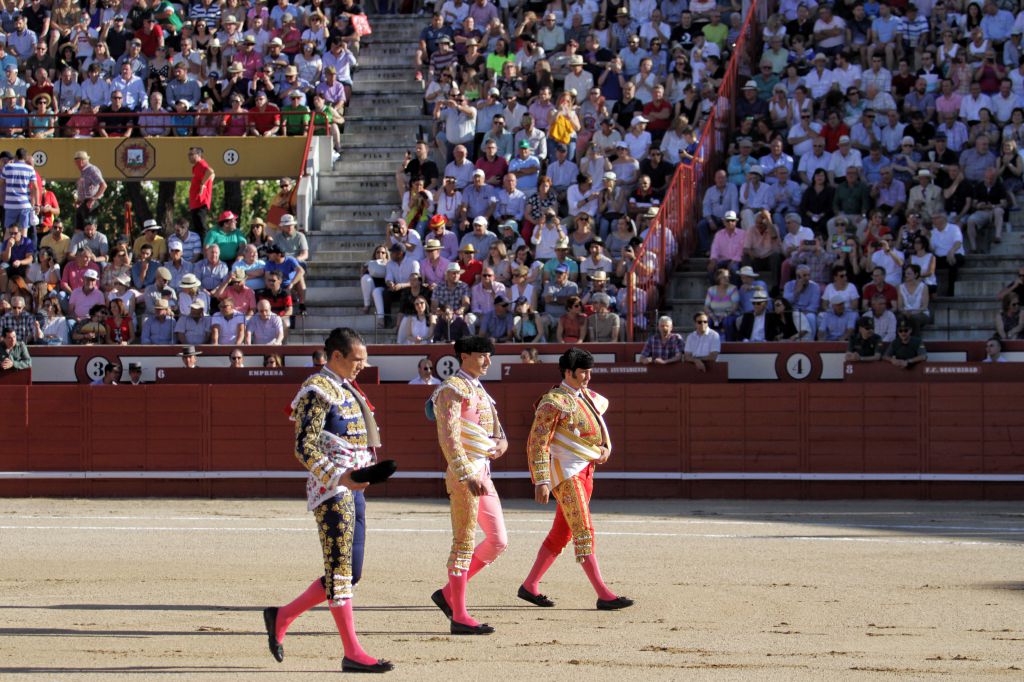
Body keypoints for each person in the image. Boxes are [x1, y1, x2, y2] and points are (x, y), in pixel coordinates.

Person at [263, 328, 394, 674]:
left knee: (352, 574)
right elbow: (303, 446)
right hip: (332, 490)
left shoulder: (346, 389)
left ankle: (282, 615)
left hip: (355, 487)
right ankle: (352, 652)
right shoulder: (316, 391)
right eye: (357, 360)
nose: (362, 366)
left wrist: (366, 473)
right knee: (339, 571)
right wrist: (339, 478)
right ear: (336, 356)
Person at [520, 347, 633, 611]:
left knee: (562, 532)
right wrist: (541, 480)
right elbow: (537, 443)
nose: (587, 376)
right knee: (583, 527)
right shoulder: (553, 401)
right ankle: (603, 594)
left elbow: (597, 433)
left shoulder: (587, 398)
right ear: (568, 372)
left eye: (589, 371)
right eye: (582, 371)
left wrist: (604, 449)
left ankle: (530, 585)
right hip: (566, 474)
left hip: (586, 470)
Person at [427, 335, 508, 636]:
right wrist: (465, 473)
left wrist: (502, 444)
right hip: (466, 475)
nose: (488, 361)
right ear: (464, 355)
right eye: (482, 355)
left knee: (498, 540)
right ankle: (459, 615)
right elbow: (448, 438)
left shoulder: (480, 390)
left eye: (490, 355)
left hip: (482, 471)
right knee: (463, 542)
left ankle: (448, 594)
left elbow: (497, 432)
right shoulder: (451, 390)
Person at [73, 150, 106, 231]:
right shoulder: (84, 172)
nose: (76, 164)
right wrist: (79, 200)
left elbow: (103, 185)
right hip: (85, 203)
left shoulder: (92, 170)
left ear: (81, 161)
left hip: (91, 203)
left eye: (76, 162)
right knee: (80, 227)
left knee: (89, 228)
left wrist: (94, 199)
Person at [187, 146, 215, 235]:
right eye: (189, 154)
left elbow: (210, 171)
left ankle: (205, 247)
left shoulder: (201, 164)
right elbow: (213, 174)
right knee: (198, 229)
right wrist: (207, 182)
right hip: (196, 203)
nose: (189, 156)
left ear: (198, 155)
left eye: (191, 154)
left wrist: (203, 184)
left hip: (200, 202)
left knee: (201, 228)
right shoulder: (197, 167)